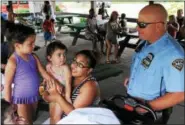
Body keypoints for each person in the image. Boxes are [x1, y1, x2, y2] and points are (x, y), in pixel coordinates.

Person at [123, 4, 184, 124]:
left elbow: (179, 93)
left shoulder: (173, 54)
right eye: (137, 23)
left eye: (142, 25)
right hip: (132, 102)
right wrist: (133, 79)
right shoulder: (145, 42)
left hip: (150, 111)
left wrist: (148, 107)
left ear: (159, 26)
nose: (137, 28)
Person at [4, 24, 59, 124]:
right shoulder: (13, 61)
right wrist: (7, 107)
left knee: (31, 119)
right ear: (17, 45)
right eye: (30, 44)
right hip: (20, 99)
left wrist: (56, 84)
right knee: (26, 122)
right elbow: (7, 85)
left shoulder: (33, 56)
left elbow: (44, 73)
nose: (34, 46)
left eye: (34, 42)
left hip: (34, 96)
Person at [42, 50, 101, 121]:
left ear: (89, 70)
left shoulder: (90, 86)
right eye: (74, 61)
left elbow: (74, 115)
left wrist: (57, 97)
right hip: (59, 118)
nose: (73, 66)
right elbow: (44, 90)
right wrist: (45, 93)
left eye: (80, 65)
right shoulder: (70, 76)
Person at [45, 41, 72, 124]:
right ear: (50, 58)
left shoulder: (65, 68)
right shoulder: (48, 66)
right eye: (59, 55)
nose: (62, 57)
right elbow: (47, 79)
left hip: (61, 96)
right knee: (52, 114)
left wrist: (67, 98)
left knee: (57, 116)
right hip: (51, 94)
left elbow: (68, 83)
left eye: (64, 54)